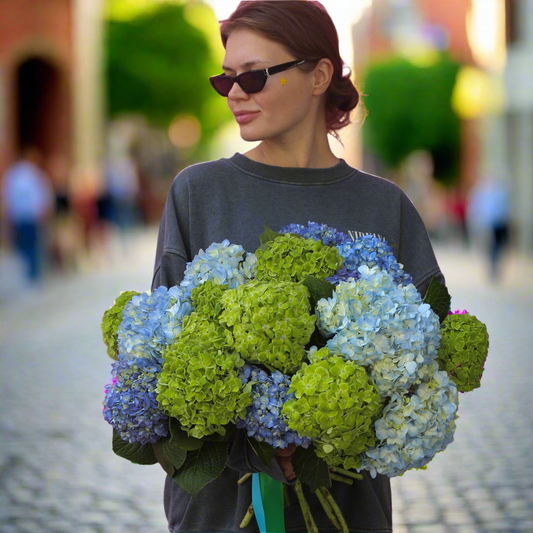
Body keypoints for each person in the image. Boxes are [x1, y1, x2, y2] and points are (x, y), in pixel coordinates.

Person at [150, 2, 446, 532]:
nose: (236, 94)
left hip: (348, 516)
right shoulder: (198, 194)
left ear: (319, 75)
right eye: (227, 81)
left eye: (255, 77)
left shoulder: (385, 208)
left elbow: (427, 369)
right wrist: (257, 444)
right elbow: (158, 370)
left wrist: (336, 424)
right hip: (219, 515)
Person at [1, 146, 54, 282]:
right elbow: (43, 195)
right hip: (31, 216)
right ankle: (33, 273)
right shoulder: (35, 174)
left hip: (19, 216)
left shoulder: (13, 174)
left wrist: (8, 214)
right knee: (32, 245)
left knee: (22, 245)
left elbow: (7, 196)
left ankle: (27, 273)